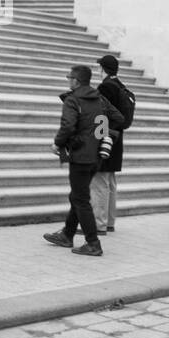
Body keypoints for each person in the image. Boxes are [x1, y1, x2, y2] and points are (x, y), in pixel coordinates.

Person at [43, 65, 124, 257]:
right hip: (96, 157)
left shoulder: (73, 99)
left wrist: (57, 144)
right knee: (77, 196)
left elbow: (68, 126)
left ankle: (93, 243)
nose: (68, 80)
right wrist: (97, 135)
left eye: (69, 77)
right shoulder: (99, 99)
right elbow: (118, 118)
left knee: (80, 199)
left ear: (76, 81)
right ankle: (67, 234)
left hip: (80, 157)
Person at [94, 54, 134, 235]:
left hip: (105, 138)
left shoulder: (106, 87)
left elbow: (101, 115)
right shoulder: (121, 87)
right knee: (110, 182)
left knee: (100, 182)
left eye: (98, 67)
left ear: (103, 69)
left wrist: (97, 139)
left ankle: (98, 224)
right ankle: (109, 222)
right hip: (117, 141)